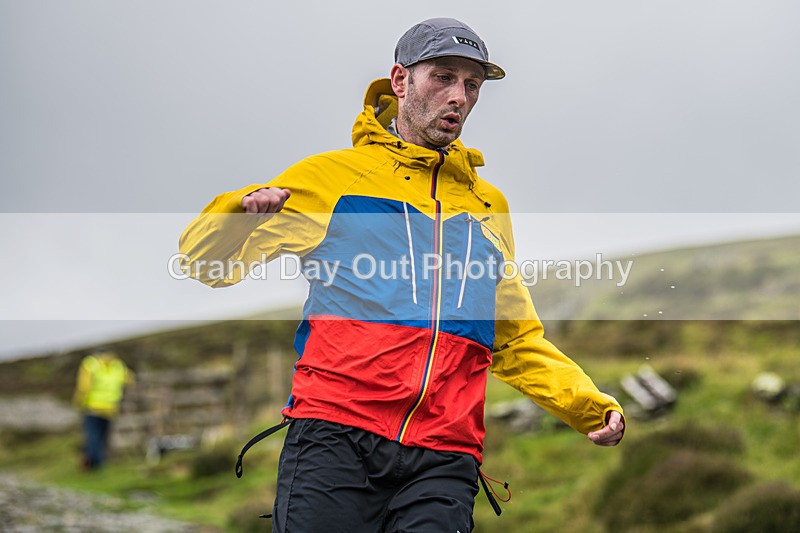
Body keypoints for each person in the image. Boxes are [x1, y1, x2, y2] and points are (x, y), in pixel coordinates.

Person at [179, 17, 624, 532]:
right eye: (443, 76)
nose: (458, 95)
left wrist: (587, 406)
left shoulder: (486, 205)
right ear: (400, 81)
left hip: (445, 453)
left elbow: (512, 336)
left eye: (472, 84)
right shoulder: (333, 179)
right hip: (335, 436)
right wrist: (238, 214)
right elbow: (203, 263)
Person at [73, 348, 133, 470]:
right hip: (110, 408)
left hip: (93, 407)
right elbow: (130, 379)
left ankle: (96, 465)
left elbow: (83, 387)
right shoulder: (117, 366)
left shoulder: (91, 365)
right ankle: (102, 462)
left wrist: (79, 402)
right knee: (104, 437)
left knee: (93, 437)